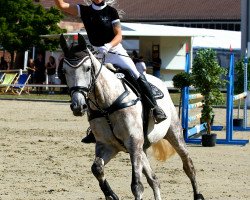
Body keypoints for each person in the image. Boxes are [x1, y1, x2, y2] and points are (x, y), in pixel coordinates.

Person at [54, 0, 167, 143]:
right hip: (96, 53)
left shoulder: (111, 12)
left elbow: (119, 35)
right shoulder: (85, 11)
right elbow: (62, 5)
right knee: (92, 87)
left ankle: (155, 108)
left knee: (135, 73)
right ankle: (94, 128)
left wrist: (108, 46)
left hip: (114, 50)